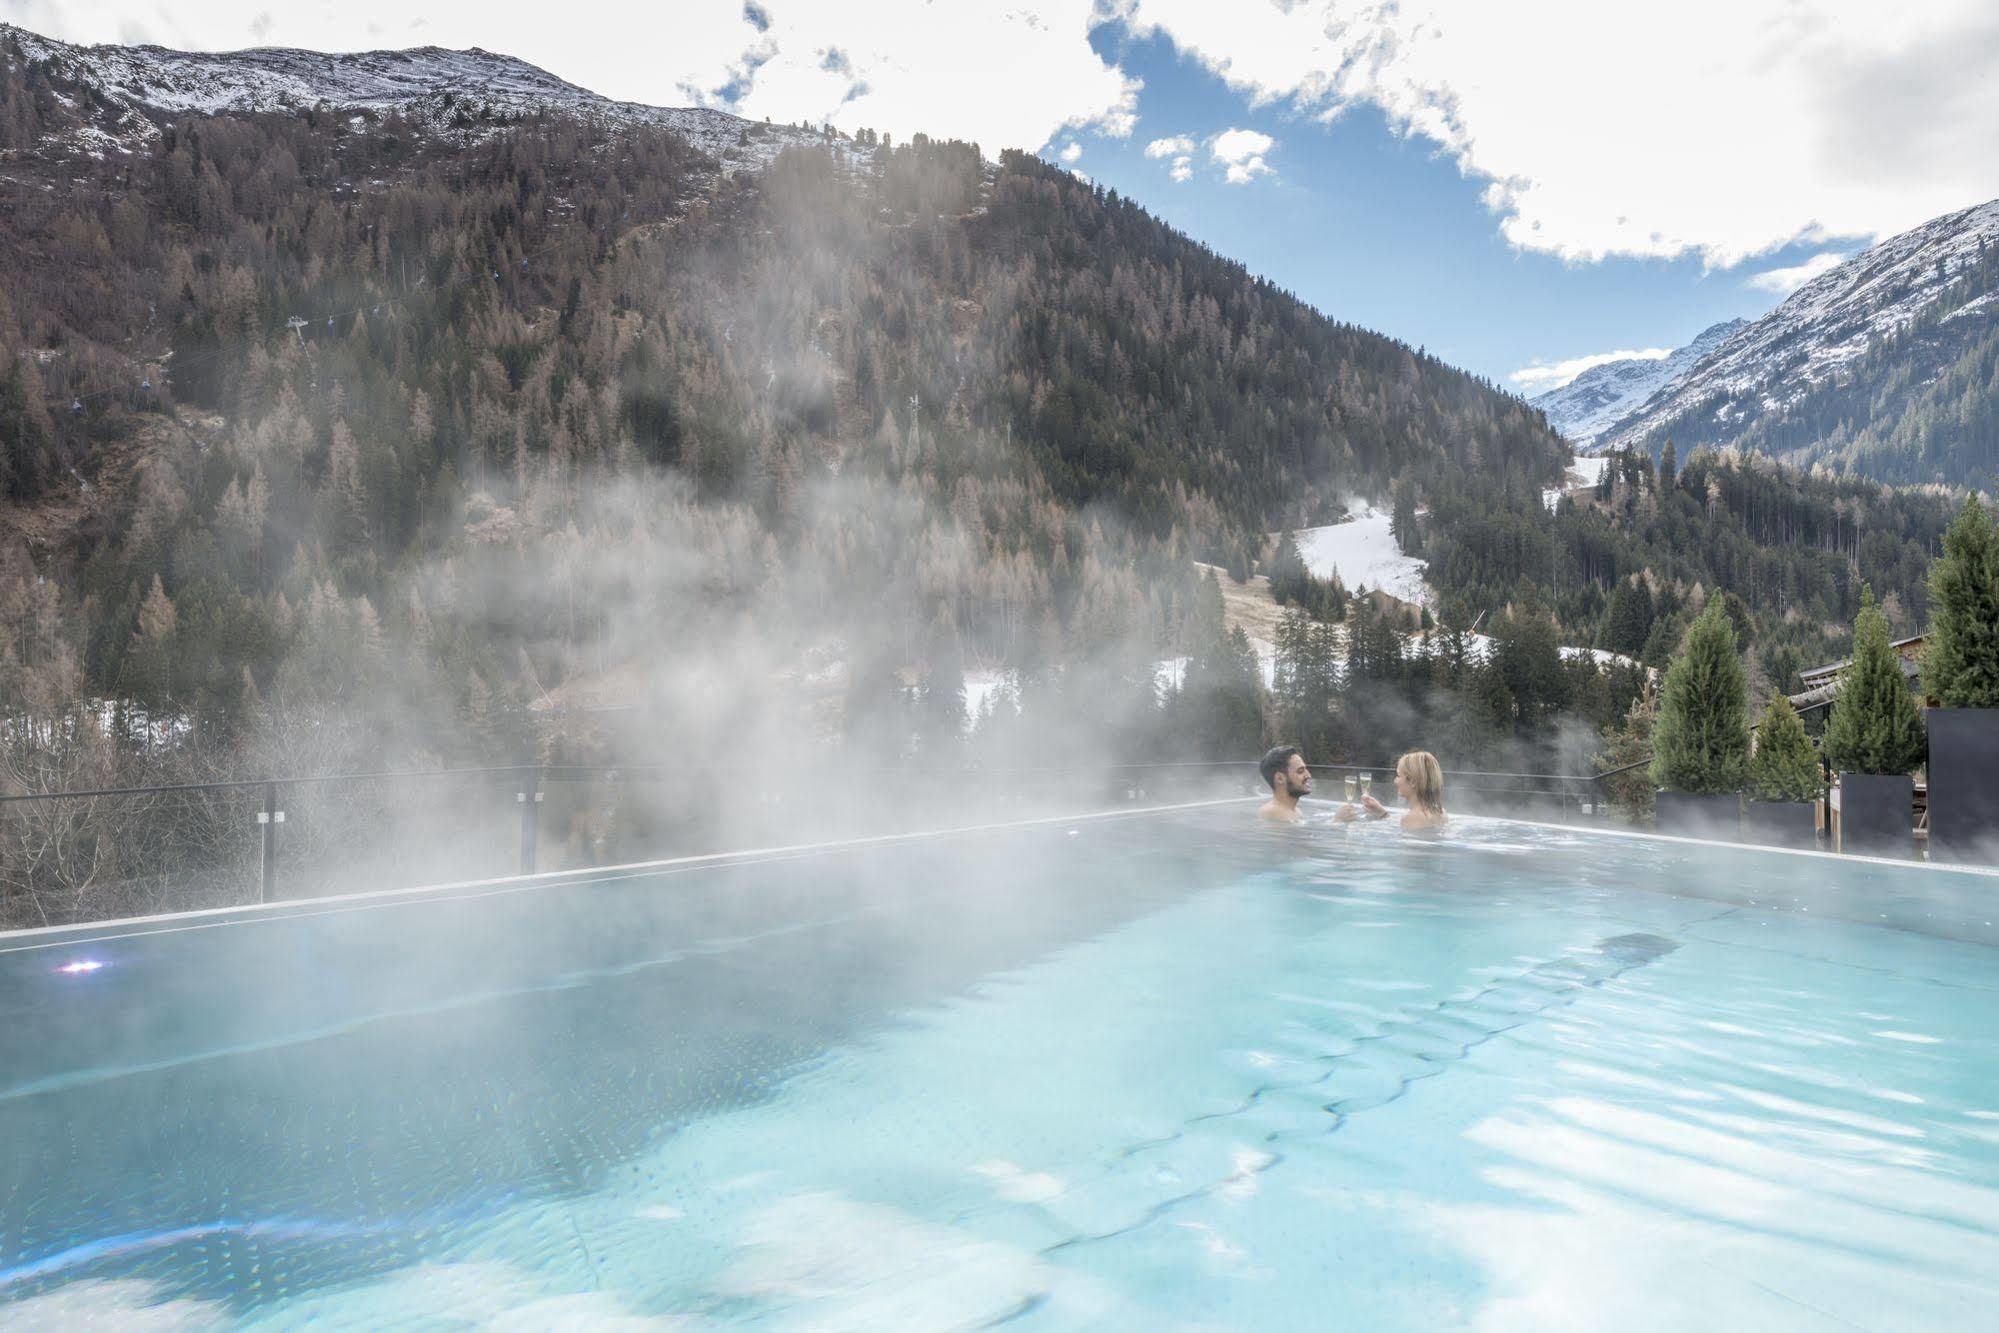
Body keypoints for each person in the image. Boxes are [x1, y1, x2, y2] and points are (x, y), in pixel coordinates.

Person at [1336, 750, 1448, 830]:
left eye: (1398, 776)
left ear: (1413, 782)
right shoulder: (1441, 811)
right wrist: (1383, 813)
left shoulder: (1412, 818)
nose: (1395, 780)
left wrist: (1338, 820)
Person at [1258, 745, 1313, 822]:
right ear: (1279, 778)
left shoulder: (1297, 812)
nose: (1308, 775)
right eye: (1300, 771)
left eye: (1306, 770)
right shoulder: (1271, 812)